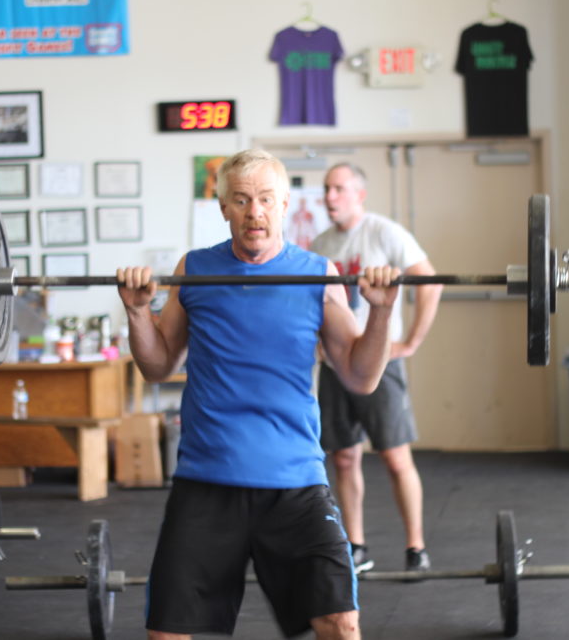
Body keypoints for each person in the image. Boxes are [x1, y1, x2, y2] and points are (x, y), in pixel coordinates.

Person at [117, 148, 400, 639]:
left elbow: (361, 377)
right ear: (222, 207)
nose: (256, 212)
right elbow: (158, 366)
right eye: (242, 200)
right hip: (207, 479)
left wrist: (380, 312)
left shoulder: (316, 274)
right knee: (167, 630)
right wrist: (139, 313)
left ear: (285, 204)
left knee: (340, 621)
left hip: (294, 481)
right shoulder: (195, 271)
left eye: (267, 199)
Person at [310, 162, 442, 576]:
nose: (330, 196)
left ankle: (416, 548)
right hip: (335, 364)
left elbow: (430, 282)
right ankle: (356, 547)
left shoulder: (384, 232)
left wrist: (413, 342)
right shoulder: (319, 245)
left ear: (359, 194)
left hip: (380, 362)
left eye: (338, 189)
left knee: (395, 458)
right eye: (327, 189)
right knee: (345, 459)